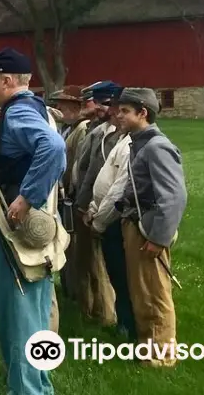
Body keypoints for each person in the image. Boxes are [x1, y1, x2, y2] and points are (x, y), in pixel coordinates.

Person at [0, 47, 67, 395]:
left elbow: (54, 148)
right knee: (35, 312)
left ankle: (28, 389)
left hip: (16, 233)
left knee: (17, 317)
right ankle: (38, 383)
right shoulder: (34, 109)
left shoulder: (17, 114)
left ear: (8, 80)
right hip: (29, 233)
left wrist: (26, 198)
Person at [114, 88, 187, 366]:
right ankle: (148, 347)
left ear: (142, 113)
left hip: (149, 229)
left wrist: (158, 237)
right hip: (137, 224)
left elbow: (173, 196)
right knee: (141, 292)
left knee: (154, 293)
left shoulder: (157, 146)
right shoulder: (139, 143)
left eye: (125, 111)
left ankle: (161, 357)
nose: (118, 116)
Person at [85, 96, 137, 341]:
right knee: (115, 274)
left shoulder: (129, 146)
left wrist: (100, 219)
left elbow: (119, 188)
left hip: (116, 220)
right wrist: (94, 207)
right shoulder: (123, 140)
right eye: (117, 111)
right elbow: (105, 179)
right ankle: (124, 321)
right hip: (105, 215)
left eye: (123, 111)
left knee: (123, 276)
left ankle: (129, 325)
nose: (117, 115)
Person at [71, 81, 121, 327]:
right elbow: (85, 169)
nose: (101, 108)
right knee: (86, 262)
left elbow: (105, 175)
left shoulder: (119, 136)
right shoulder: (96, 132)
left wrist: (92, 206)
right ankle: (89, 309)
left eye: (106, 104)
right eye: (99, 103)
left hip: (103, 208)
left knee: (101, 265)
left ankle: (107, 315)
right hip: (85, 204)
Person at [47, 85, 89, 301]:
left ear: (74, 106)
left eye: (62, 104)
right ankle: (71, 291)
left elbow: (80, 166)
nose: (58, 107)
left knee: (76, 250)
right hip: (64, 196)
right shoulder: (67, 128)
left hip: (72, 196)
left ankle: (80, 295)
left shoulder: (81, 129)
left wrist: (74, 194)